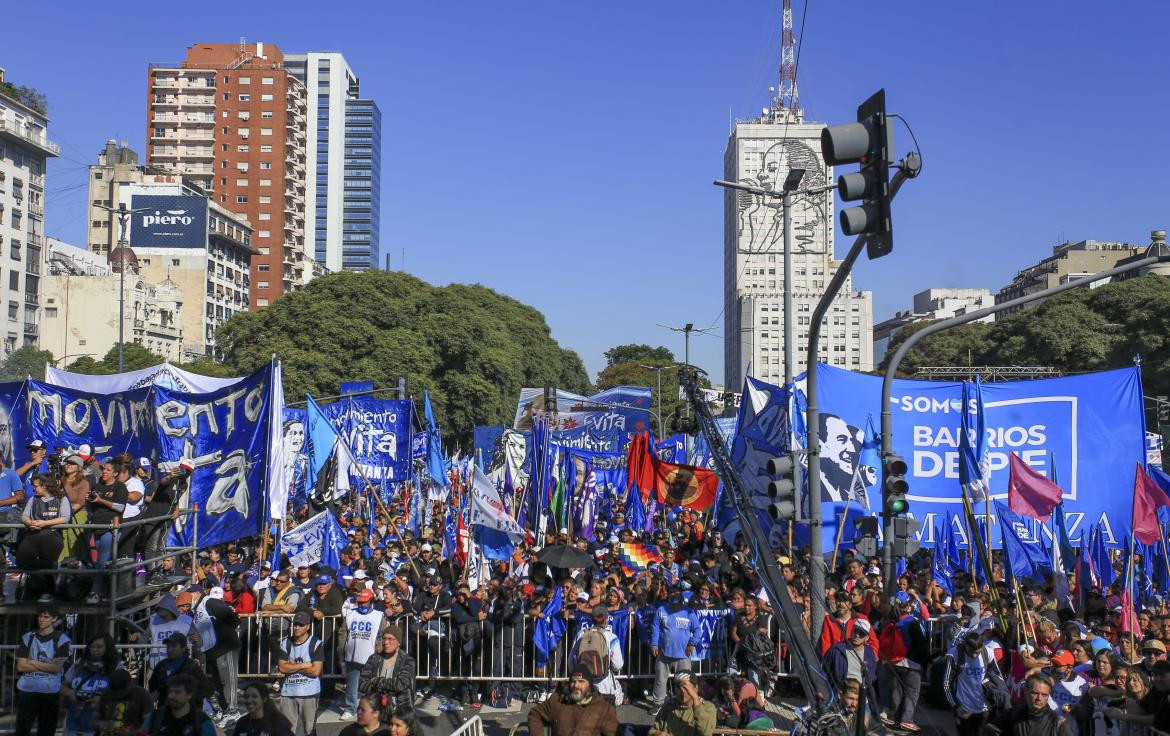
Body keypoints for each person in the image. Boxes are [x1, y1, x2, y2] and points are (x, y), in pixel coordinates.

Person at [15, 602, 70, 736]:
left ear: (54, 618)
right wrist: (47, 667)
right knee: (21, 731)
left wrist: (32, 662)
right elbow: (21, 666)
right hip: (27, 690)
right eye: (40, 616)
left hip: (50, 693)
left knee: (46, 731)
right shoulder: (28, 637)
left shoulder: (62, 640)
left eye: (45, 616)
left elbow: (55, 668)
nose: (41, 619)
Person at [944, 630, 1010, 736]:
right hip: (964, 708)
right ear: (965, 646)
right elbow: (947, 683)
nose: (974, 655)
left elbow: (998, 677)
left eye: (977, 652)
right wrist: (955, 706)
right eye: (972, 652)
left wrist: (998, 695)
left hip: (985, 707)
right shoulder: (954, 654)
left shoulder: (988, 652)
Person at [192, 586, 242, 724]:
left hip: (227, 646)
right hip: (213, 650)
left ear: (197, 593)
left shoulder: (210, 602)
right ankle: (225, 709)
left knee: (229, 680)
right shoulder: (196, 609)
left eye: (191, 594)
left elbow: (232, 617)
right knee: (219, 682)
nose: (189, 597)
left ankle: (233, 711)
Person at [16, 474, 71, 596]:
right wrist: (29, 522)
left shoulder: (61, 498)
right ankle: (42, 586)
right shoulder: (33, 499)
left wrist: (45, 523)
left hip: (52, 535)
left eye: (35, 486)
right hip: (33, 533)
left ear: (45, 486)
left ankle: (47, 592)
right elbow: (24, 516)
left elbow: (65, 518)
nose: (33, 489)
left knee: (47, 563)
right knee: (22, 559)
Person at [526, 670, 620, 736]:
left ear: (590, 685)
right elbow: (535, 714)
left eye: (581, 681)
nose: (576, 685)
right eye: (573, 681)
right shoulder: (558, 700)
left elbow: (616, 732)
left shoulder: (603, 708)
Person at [85, 459, 128, 602]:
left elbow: (120, 507)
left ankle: (95, 591)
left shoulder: (120, 487)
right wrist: (90, 501)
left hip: (110, 528)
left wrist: (101, 501)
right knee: (97, 561)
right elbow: (91, 507)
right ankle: (103, 591)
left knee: (102, 560)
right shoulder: (97, 486)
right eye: (103, 469)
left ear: (115, 473)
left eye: (108, 470)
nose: (104, 472)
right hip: (96, 527)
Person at [61, 633, 121, 736]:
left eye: (99, 646)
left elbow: (122, 692)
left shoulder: (116, 667)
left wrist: (102, 698)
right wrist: (71, 693)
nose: (95, 650)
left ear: (108, 647)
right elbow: (62, 686)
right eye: (92, 647)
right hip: (74, 716)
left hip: (100, 719)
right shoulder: (79, 664)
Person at [277, 610, 324, 736]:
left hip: (310, 693)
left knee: (309, 731)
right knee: (286, 731)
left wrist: (292, 666)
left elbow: (315, 671)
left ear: (308, 626)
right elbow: (282, 668)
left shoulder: (316, 644)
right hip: (288, 692)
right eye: (295, 624)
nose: (297, 627)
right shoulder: (286, 643)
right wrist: (303, 665)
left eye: (301, 625)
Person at [648, 591, 698, 708]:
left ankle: (685, 703)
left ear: (682, 602)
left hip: (683, 655)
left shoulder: (689, 612)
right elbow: (655, 626)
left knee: (685, 682)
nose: (675, 606)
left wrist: (692, 643)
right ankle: (657, 704)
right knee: (660, 679)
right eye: (672, 603)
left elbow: (697, 630)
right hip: (664, 653)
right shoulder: (661, 610)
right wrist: (654, 644)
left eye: (677, 604)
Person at [341, 588, 386, 718]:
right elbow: (343, 634)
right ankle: (350, 708)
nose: (361, 604)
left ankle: (374, 708)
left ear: (371, 601)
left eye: (364, 602)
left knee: (374, 684)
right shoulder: (350, 614)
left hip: (372, 655)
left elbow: (384, 633)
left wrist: (381, 651)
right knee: (352, 684)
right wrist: (341, 651)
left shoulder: (378, 615)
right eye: (359, 602)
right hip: (352, 655)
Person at [987, 673, 1073, 736]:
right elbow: (990, 729)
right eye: (1035, 693)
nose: (1039, 698)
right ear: (1025, 692)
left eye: (1044, 695)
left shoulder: (1058, 723)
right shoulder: (1013, 714)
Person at [571, 604, 625, 705]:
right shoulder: (612, 637)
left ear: (592, 619)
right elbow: (618, 665)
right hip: (605, 687)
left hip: (583, 686)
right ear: (606, 619)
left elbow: (571, 662)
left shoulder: (580, 634)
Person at [360, 624, 415, 718]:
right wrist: (385, 690)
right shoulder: (374, 658)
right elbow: (361, 684)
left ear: (398, 642)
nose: (385, 642)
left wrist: (376, 681)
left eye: (390, 639)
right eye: (384, 639)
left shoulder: (407, 661)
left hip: (400, 710)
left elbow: (400, 684)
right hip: (376, 709)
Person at [148, 633, 213, 712]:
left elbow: (208, 689)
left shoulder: (191, 667)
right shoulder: (162, 665)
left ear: (183, 648)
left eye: (174, 646)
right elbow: (152, 685)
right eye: (168, 646)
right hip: (165, 714)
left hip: (188, 716)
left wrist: (187, 696)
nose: (169, 649)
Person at [142, 674, 217, 736]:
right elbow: (141, 733)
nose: (171, 696)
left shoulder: (201, 721)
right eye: (170, 692)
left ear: (189, 694)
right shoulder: (155, 717)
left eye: (177, 692)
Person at [650, 672, 717, 736]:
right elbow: (653, 730)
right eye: (678, 687)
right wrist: (656, 733)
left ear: (696, 688)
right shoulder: (669, 706)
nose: (682, 691)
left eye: (686, 687)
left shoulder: (708, 707)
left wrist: (696, 700)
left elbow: (706, 733)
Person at [93, 668, 153, 736]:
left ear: (130, 684)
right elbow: (94, 720)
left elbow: (147, 727)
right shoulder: (106, 695)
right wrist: (100, 724)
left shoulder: (142, 695)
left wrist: (130, 733)